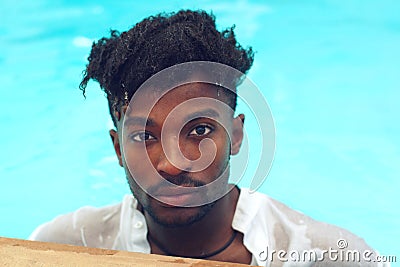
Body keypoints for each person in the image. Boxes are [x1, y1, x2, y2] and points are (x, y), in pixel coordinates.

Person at [29, 10, 388, 266]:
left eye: (199, 130)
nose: (169, 162)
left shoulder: (326, 256)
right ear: (117, 148)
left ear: (235, 135)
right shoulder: (64, 248)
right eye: (143, 135)